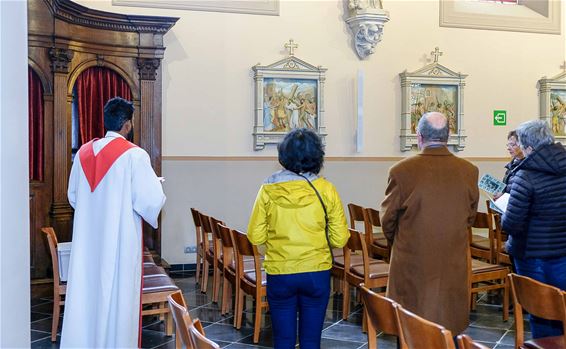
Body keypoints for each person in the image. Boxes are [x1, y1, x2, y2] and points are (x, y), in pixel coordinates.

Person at [61, 97, 166, 348]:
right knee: (118, 294)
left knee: (87, 292)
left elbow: (73, 197)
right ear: (128, 124)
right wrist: (156, 186)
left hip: (88, 240)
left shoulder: (83, 153)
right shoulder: (134, 155)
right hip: (119, 242)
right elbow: (150, 201)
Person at [247, 128, 349, 349]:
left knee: (283, 340)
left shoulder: (267, 189)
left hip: (280, 272)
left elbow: (255, 235)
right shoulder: (326, 189)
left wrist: (274, 246)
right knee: (311, 341)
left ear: (284, 156)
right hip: (316, 272)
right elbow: (340, 239)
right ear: (317, 157)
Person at [380, 112, 479, 336]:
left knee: (411, 323)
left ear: (419, 136)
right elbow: (470, 217)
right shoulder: (469, 171)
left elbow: (388, 220)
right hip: (453, 258)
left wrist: (398, 241)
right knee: (448, 321)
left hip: (412, 259)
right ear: (448, 137)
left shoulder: (401, 170)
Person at [502, 120, 566, 339]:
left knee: (541, 311)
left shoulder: (525, 175)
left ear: (528, 147)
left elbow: (511, 223)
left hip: (533, 254)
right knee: (562, 307)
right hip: (563, 252)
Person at [494, 130, 524, 199]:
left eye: (512, 145)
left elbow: (522, 196)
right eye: (508, 145)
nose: (508, 148)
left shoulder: (528, 167)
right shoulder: (511, 166)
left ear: (523, 145)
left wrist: (503, 197)